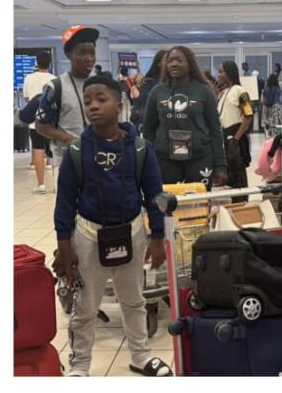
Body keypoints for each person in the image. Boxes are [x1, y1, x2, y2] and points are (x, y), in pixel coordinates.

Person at [53, 74, 171, 377]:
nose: (93, 106)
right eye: (88, 101)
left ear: (119, 105)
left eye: (101, 99)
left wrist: (158, 237)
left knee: (133, 300)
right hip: (88, 236)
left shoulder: (140, 148)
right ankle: (80, 365)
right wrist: (64, 246)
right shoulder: (77, 152)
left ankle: (140, 356)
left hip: (132, 234)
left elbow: (155, 195)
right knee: (85, 305)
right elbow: (65, 201)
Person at [142, 46, 227, 190]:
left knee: (199, 201)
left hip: (199, 158)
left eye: (179, 60)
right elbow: (148, 130)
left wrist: (221, 165)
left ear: (190, 63)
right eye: (170, 61)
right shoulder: (157, 92)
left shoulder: (204, 91)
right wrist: (149, 161)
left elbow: (215, 130)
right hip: (165, 159)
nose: (173, 64)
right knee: (166, 201)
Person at [36, 25, 99, 174]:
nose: (89, 58)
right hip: (68, 164)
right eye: (82, 53)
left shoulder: (100, 85)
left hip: (99, 161)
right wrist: (68, 140)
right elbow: (41, 125)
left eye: (92, 53)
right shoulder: (55, 87)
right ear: (68, 54)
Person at [216, 61, 253, 193]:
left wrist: (236, 139)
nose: (219, 75)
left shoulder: (240, 91)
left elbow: (248, 115)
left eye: (221, 72)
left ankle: (242, 201)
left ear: (229, 73)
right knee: (229, 173)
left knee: (238, 173)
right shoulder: (223, 92)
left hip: (236, 136)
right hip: (224, 135)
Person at [23, 50, 55, 194]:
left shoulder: (28, 78)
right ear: (50, 63)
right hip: (51, 122)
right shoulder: (55, 79)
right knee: (54, 151)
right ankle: (56, 184)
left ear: (36, 62)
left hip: (35, 121)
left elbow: (27, 99)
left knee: (37, 151)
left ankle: (41, 185)